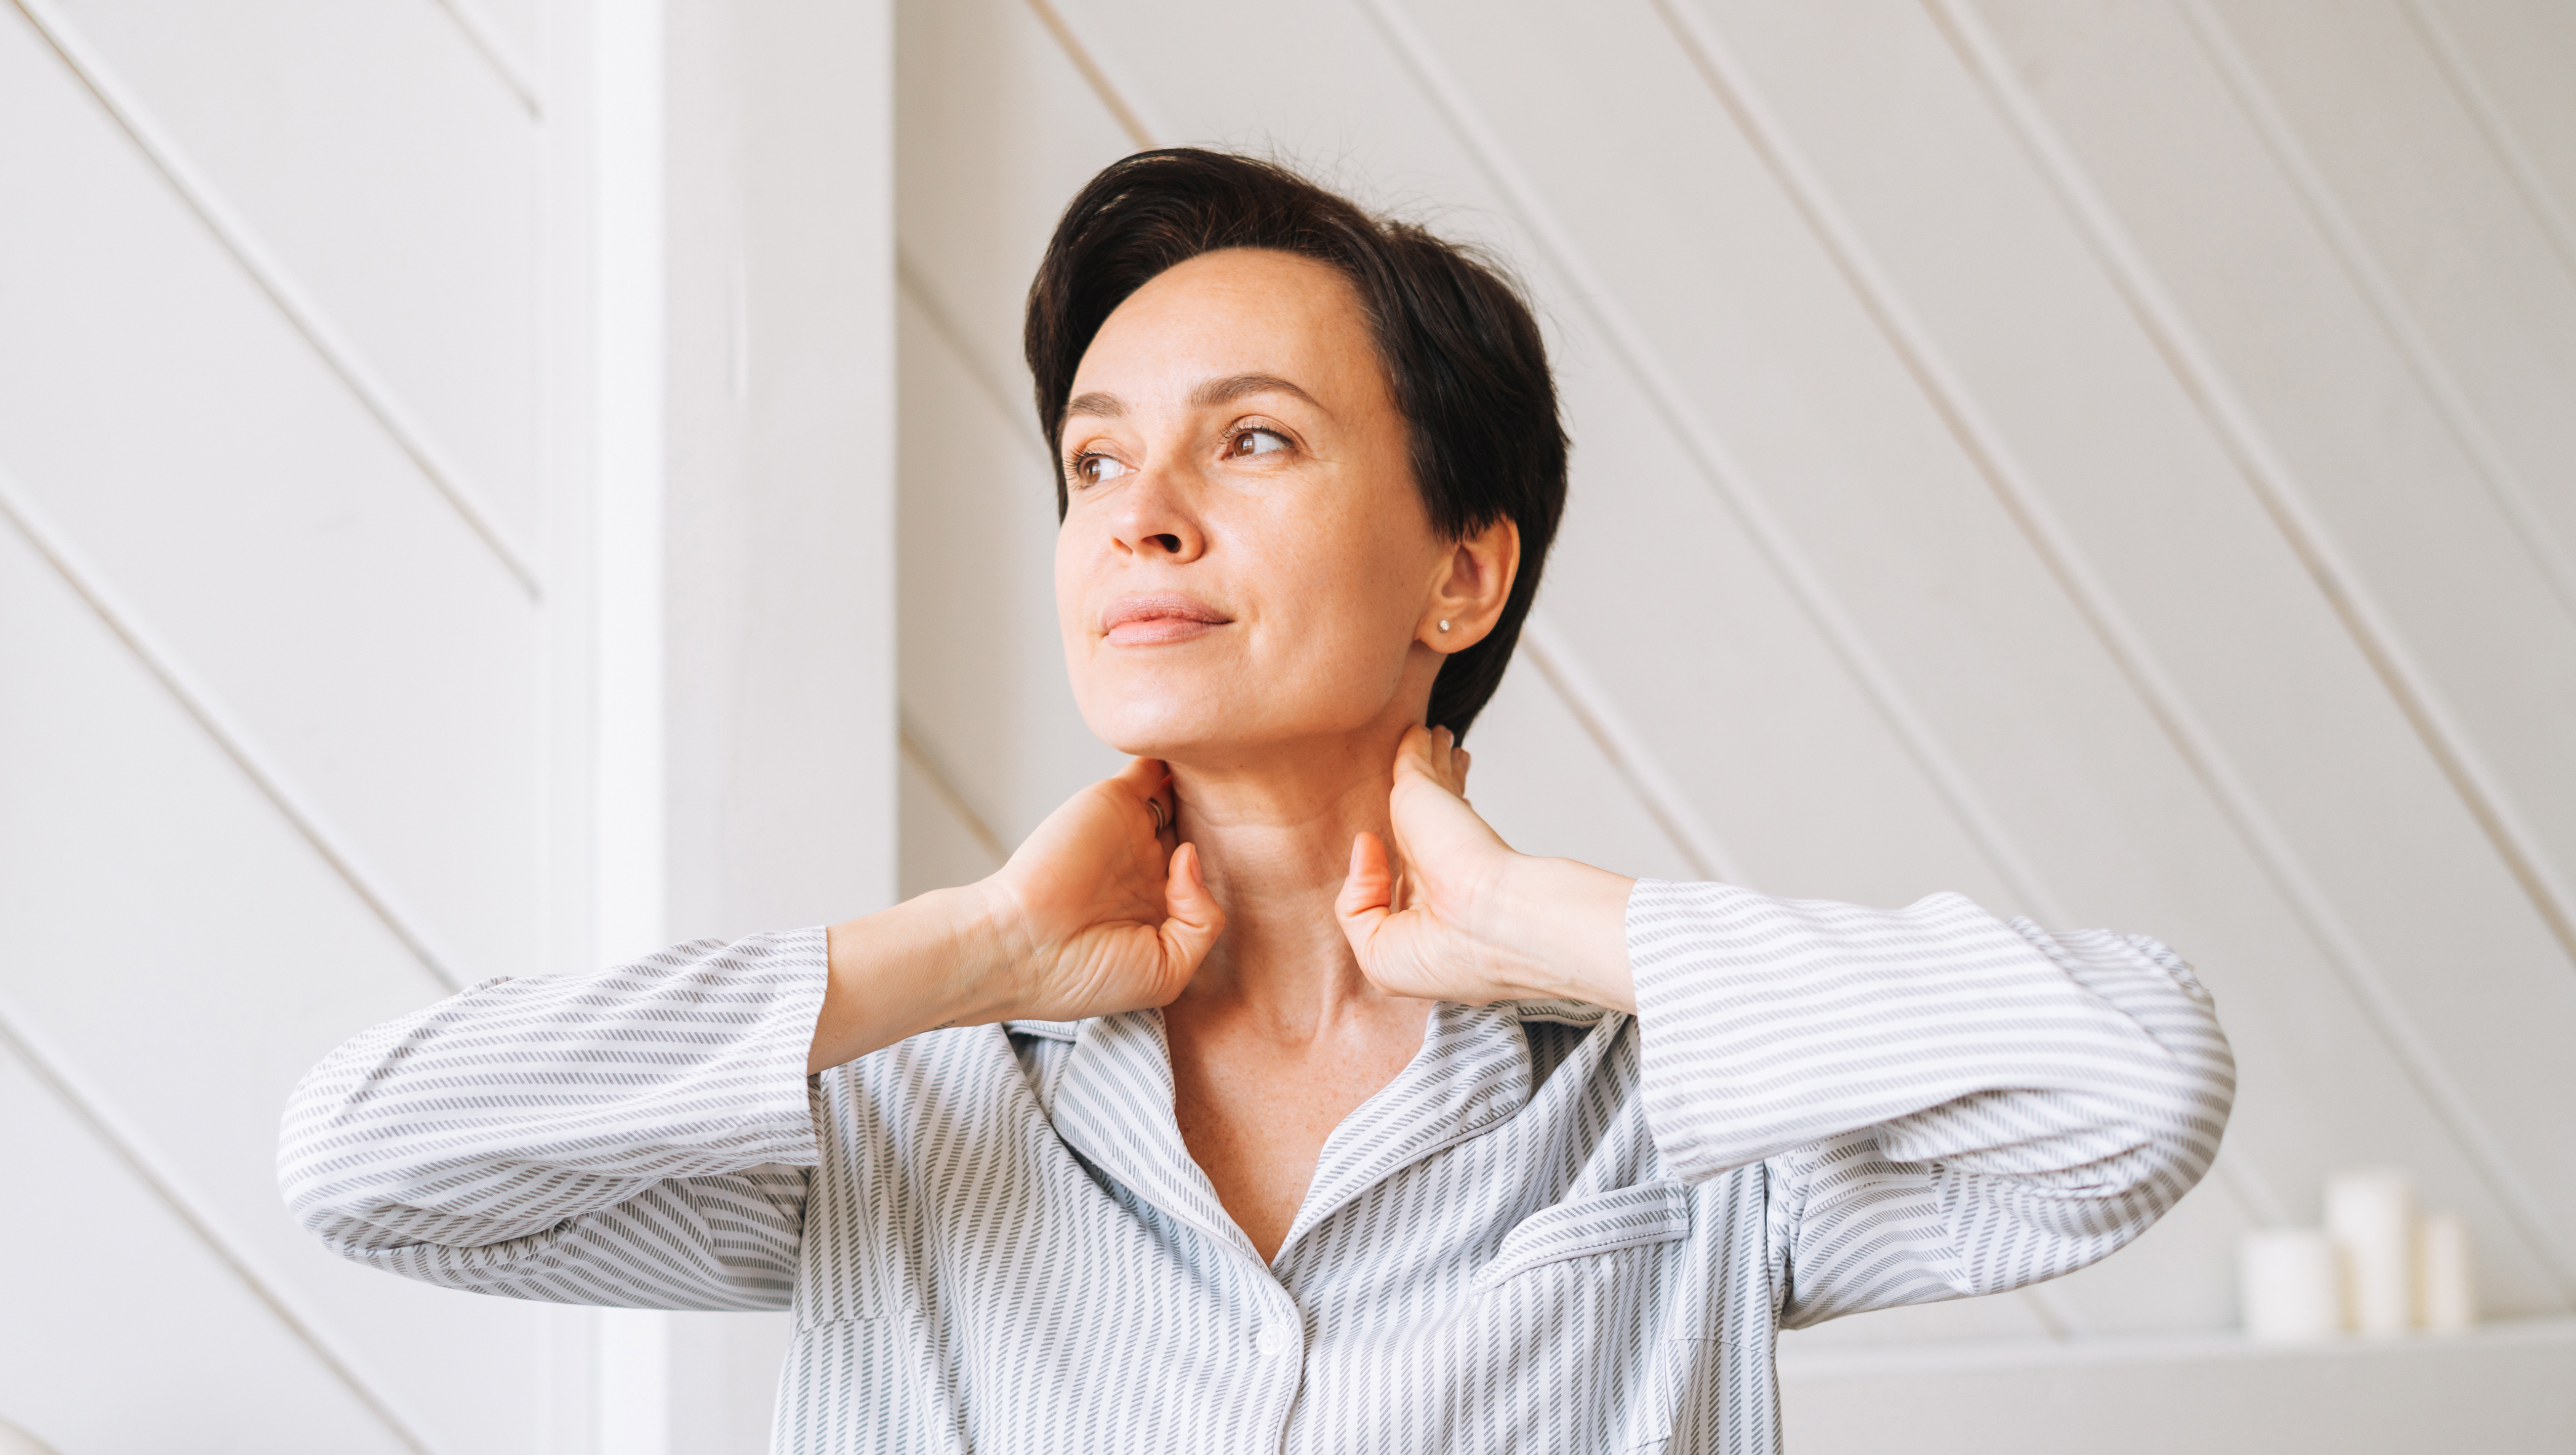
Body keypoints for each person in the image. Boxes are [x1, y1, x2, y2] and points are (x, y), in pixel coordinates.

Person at [280, 149, 2234, 1454]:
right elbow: (368, 1157)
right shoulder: (912, 1106)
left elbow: (2129, 1089)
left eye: (1256, 440)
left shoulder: (1667, 1120)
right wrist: (967, 950)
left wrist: (1551, 924)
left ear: (1459, 574)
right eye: (1095, 457)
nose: (1141, 509)